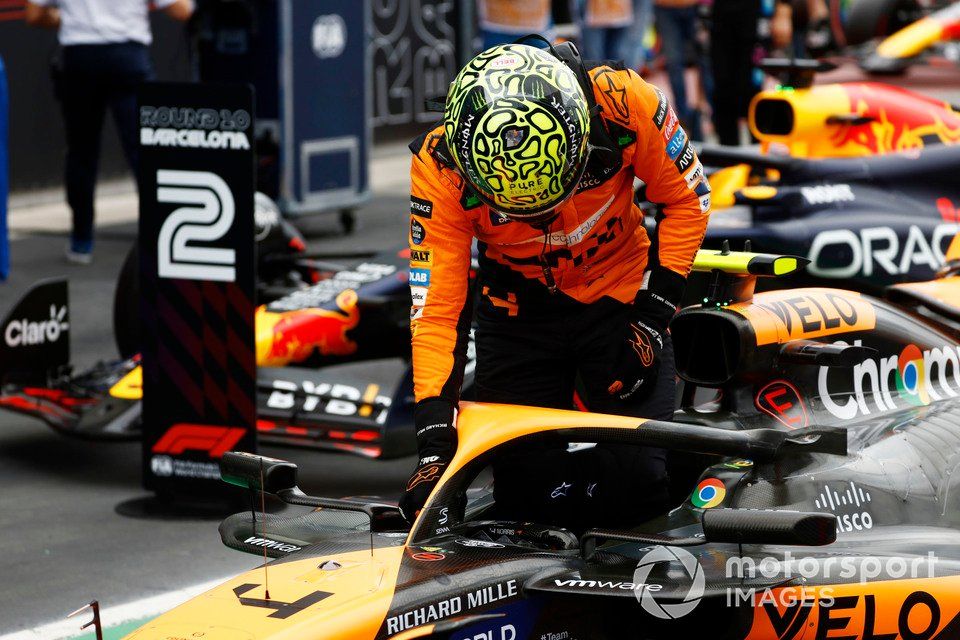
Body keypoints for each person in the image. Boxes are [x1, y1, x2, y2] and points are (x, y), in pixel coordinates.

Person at [399, 41, 710, 529]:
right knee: (525, 495)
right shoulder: (440, 166)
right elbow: (436, 309)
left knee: (638, 485)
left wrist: (653, 319)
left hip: (620, 300)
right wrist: (434, 446)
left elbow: (689, 198)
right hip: (517, 314)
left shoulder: (625, 102)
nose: (540, 219)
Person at [25, 0, 193, 264]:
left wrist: (65, 19)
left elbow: (34, 14)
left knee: (81, 152)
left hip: (81, 58)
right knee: (145, 150)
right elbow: (181, 9)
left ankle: (81, 241)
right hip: (127, 56)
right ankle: (162, 236)